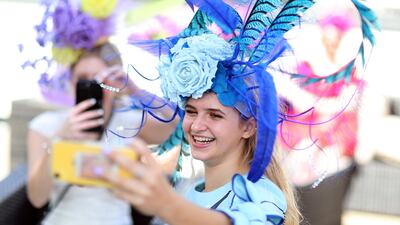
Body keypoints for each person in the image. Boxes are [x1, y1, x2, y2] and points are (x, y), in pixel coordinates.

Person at [91, 1, 326, 224]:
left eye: (215, 115)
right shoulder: (188, 190)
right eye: (192, 112)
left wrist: (167, 205)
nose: (196, 125)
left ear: (248, 127)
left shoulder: (259, 193)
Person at [26, 1, 179, 225]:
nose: (94, 85)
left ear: (114, 81)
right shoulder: (46, 125)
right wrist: (59, 139)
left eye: (101, 78)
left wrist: (137, 91)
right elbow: (37, 198)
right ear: (71, 81)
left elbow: (177, 126)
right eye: (84, 79)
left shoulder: (129, 121)